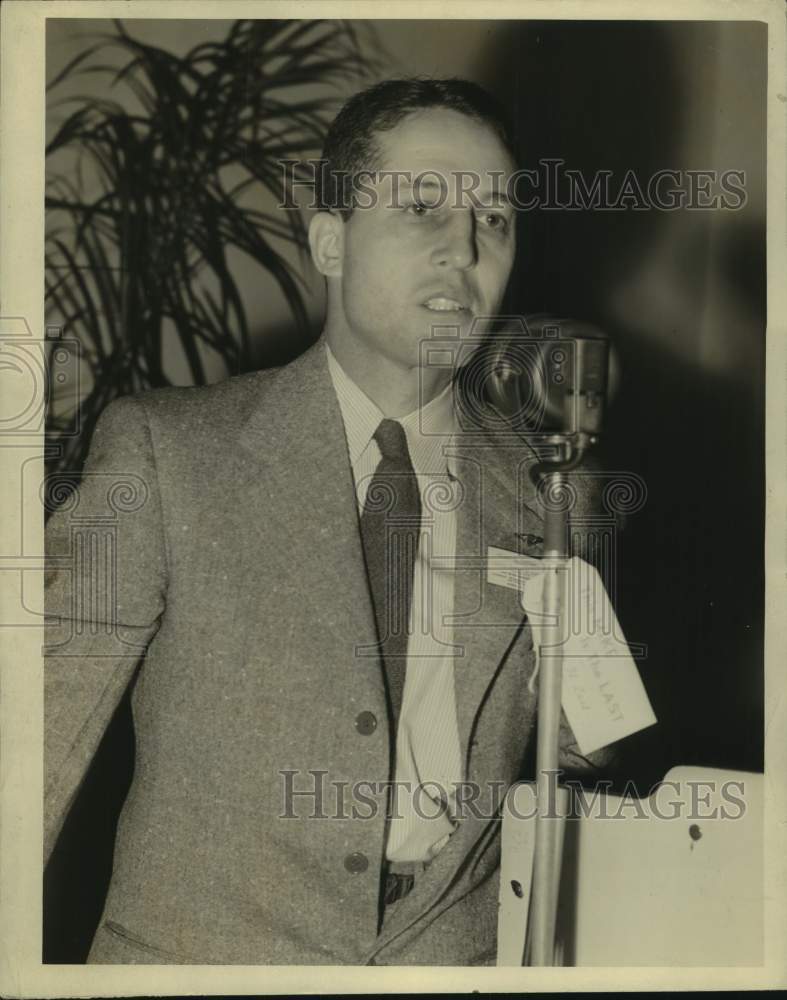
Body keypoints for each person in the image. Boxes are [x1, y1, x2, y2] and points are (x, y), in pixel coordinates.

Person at [44, 77, 615, 967]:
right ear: (329, 239)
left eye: (494, 219)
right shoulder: (167, 455)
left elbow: (581, 750)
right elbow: (34, 741)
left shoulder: (555, 491)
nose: (463, 247)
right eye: (422, 208)